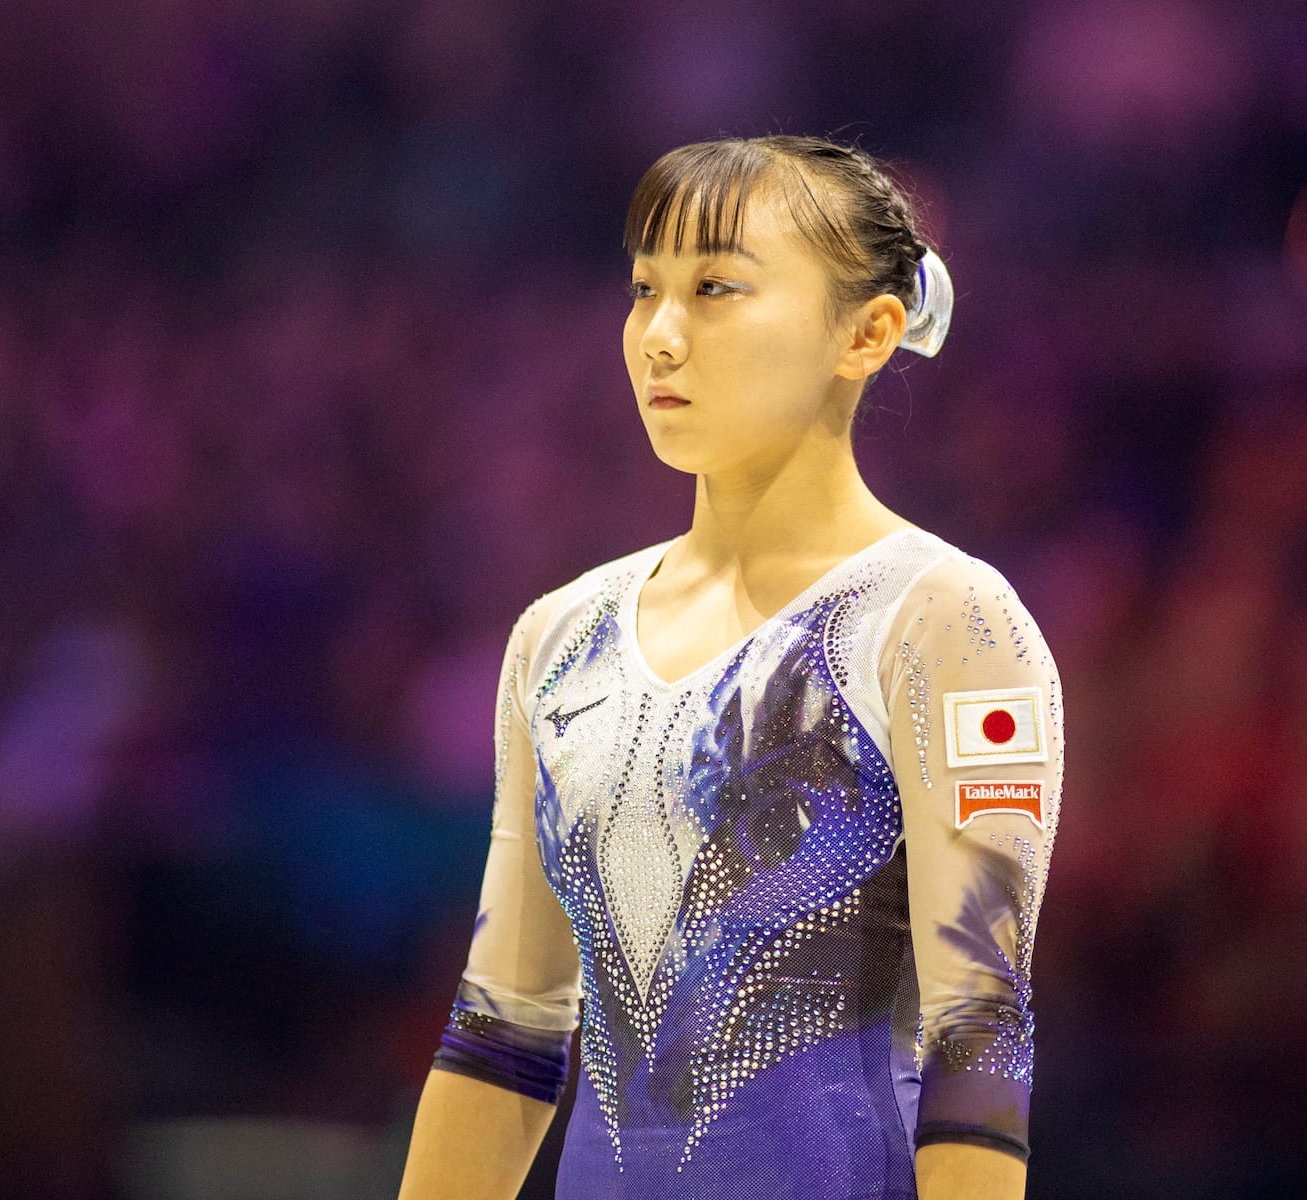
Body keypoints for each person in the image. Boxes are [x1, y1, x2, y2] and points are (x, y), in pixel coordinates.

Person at [397, 134, 1063, 1200]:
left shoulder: (947, 624)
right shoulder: (560, 639)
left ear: (869, 332)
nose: (660, 337)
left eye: (715, 289)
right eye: (644, 289)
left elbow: (977, 1032)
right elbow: (504, 1032)